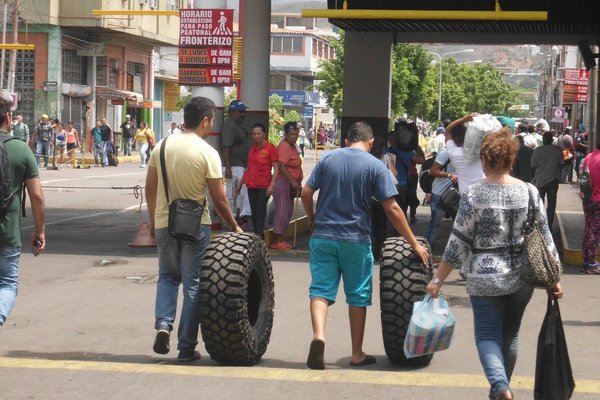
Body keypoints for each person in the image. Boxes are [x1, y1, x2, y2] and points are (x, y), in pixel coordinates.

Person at [426, 129, 563, 400]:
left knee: (487, 335)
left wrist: (438, 279)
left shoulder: (474, 194)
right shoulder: (530, 191)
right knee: (510, 336)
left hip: (483, 276)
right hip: (522, 277)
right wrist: (553, 279)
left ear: (484, 161)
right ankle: (500, 391)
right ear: (512, 161)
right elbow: (545, 238)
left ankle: (500, 387)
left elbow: (459, 241)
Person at [301, 121, 429, 370]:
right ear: (370, 142)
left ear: (348, 140)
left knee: (320, 290)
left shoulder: (328, 159)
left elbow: (306, 193)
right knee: (357, 296)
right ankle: (357, 353)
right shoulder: (375, 165)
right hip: (355, 240)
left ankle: (319, 336)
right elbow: (391, 207)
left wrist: (311, 219)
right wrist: (413, 243)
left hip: (323, 236)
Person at [145, 96, 242, 361]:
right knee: (192, 284)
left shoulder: (161, 147)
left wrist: (154, 220)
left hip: (165, 223)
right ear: (205, 120)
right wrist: (234, 226)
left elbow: (150, 187)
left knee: (166, 277)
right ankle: (186, 347)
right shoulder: (207, 152)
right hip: (195, 226)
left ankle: (163, 325)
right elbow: (219, 199)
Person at [0, 97, 46, 327]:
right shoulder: (20, 148)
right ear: (8, 119)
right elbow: (36, 197)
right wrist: (39, 231)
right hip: (7, 234)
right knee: (7, 284)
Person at [236, 123, 279, 240]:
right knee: (254, 213)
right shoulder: (252, 149)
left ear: (264, 134)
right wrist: (240, 185)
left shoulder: (271, 148)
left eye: (258, 133)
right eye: (254, 134)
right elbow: (249, 168)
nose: (256, 136)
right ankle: (258, 236)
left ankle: (259, 237)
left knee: (260, 212)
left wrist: (272, 185)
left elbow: (276, 168)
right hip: (251, 185)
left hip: (264, 185)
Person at [271, 121, 303, 250]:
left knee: (287, 211)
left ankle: (281, 238)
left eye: (296, 134)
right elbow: (282, 166)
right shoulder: (284, 146)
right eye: (291, 134)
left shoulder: (293, 146)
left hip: (290, 184)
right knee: (282, 211)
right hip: (283, 182)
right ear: (285, 134)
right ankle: (278, 240)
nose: (294, 137)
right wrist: (292, 181)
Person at [221, 100, 252, 226]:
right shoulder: (230, 125)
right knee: (234, 194)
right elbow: (226, 147)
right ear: (232, 112)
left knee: (241, 194)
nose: (243, 114)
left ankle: (239, 217)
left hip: (239, 165)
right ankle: (234, 219)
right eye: (240, 112)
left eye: (244, 111)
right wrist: (228, 168)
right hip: (233, 166)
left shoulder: (237, 125)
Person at [445, 114, 486, 193]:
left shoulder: (454, 154)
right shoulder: (480, 152)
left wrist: (464, 119)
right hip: (483, 193)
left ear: (454, 140)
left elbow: (447, 131)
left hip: (465, 196)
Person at [426, 148, 457, 248]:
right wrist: (449, 175)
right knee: (435, 223)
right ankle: (427, 251)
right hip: (439, 193)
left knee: (459, 224)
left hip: (456, 194)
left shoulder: (468, 152)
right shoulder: (446, 152)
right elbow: (433, 171)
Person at [531, 131, 563, 229]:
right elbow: (561, 163)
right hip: (553, 180)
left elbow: (533, 165)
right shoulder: (557, 150)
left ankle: (540, 223)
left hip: (540, 181)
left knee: (539, 204)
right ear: (552, 140)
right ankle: (549, 225)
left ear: (543, 140)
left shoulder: (538, 150)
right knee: (552, 204)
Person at [580, 140, 600, 274]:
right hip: (598, 198)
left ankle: (587, 260)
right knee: (595, 231)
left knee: (588, 228)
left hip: (588, 198)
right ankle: (592, 264)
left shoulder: (589, 157)